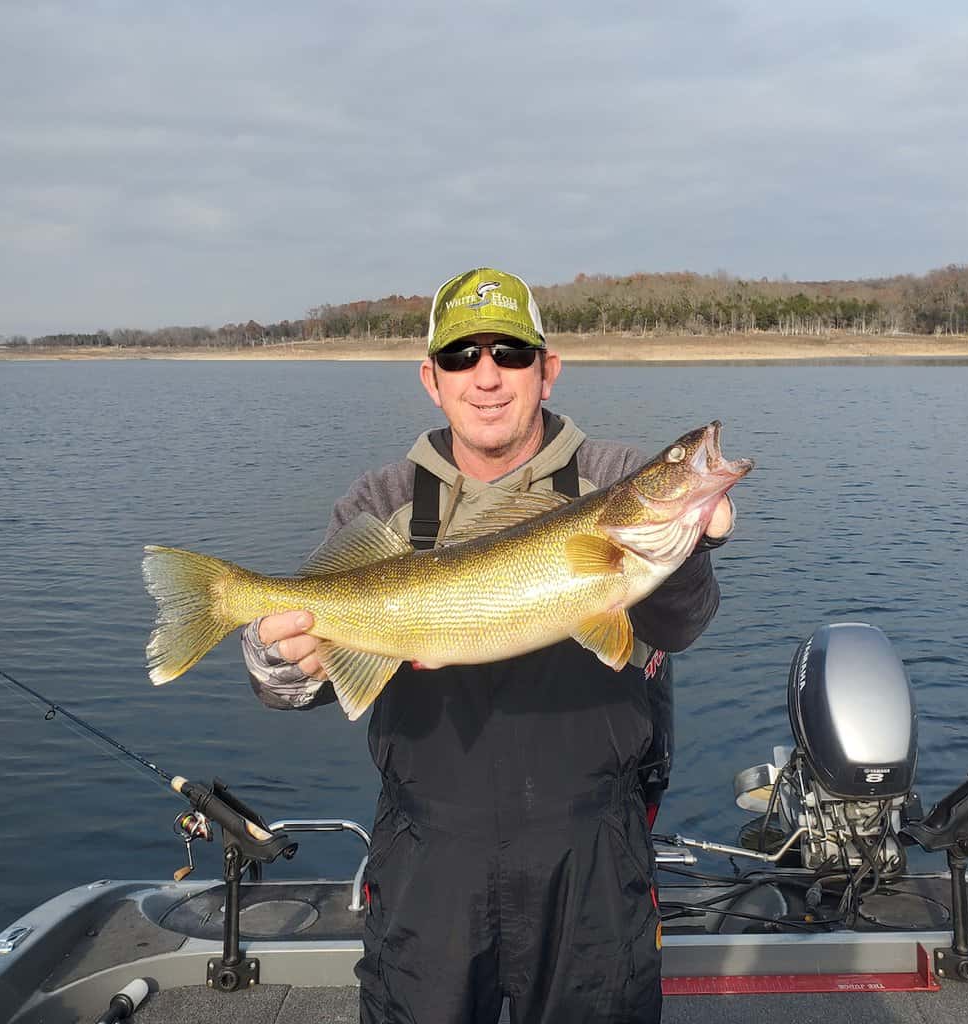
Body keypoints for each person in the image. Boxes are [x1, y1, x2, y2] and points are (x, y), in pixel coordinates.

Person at [242, 268, 735, 1023]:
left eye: (509, 352)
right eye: (461, 357)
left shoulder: (611, 480)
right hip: (429, 858)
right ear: (430, 380)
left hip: (591, 853)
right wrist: (278, 658)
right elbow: (298, 686)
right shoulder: (381, 503)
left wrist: (688, 543)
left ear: (547, 370)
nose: (487, 376)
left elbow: (679, 627)